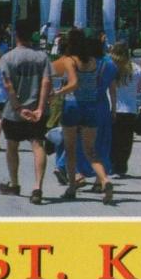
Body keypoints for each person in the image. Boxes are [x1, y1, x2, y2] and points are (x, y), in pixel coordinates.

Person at [51, 29, 114, 204]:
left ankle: (72, 186)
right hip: (91, 107)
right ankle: (104, 180)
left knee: (70, 149)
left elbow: (72, 82)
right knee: (91, 151)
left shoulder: (70, 61)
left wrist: (58, 92)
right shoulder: (94, 61)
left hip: (73, 105)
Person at [0, 20, 52, 205]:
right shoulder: (42, 57)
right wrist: (40, 108)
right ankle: (37, 187)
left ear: (16, 35)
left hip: (14, 113)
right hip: (37, 111)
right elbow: (46, 82)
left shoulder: (7, 58)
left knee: (12, 146)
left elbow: (8, 84)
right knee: (38, 146)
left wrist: (19, 107)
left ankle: (15, 183)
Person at [110, 41, 141, 177]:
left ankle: (111, 165)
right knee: (126, 141)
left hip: (114, 107)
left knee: (112, 139)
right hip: (130, 109)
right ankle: (121, 167)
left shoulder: (111, 68)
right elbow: (139, 89)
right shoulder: (136, 69)